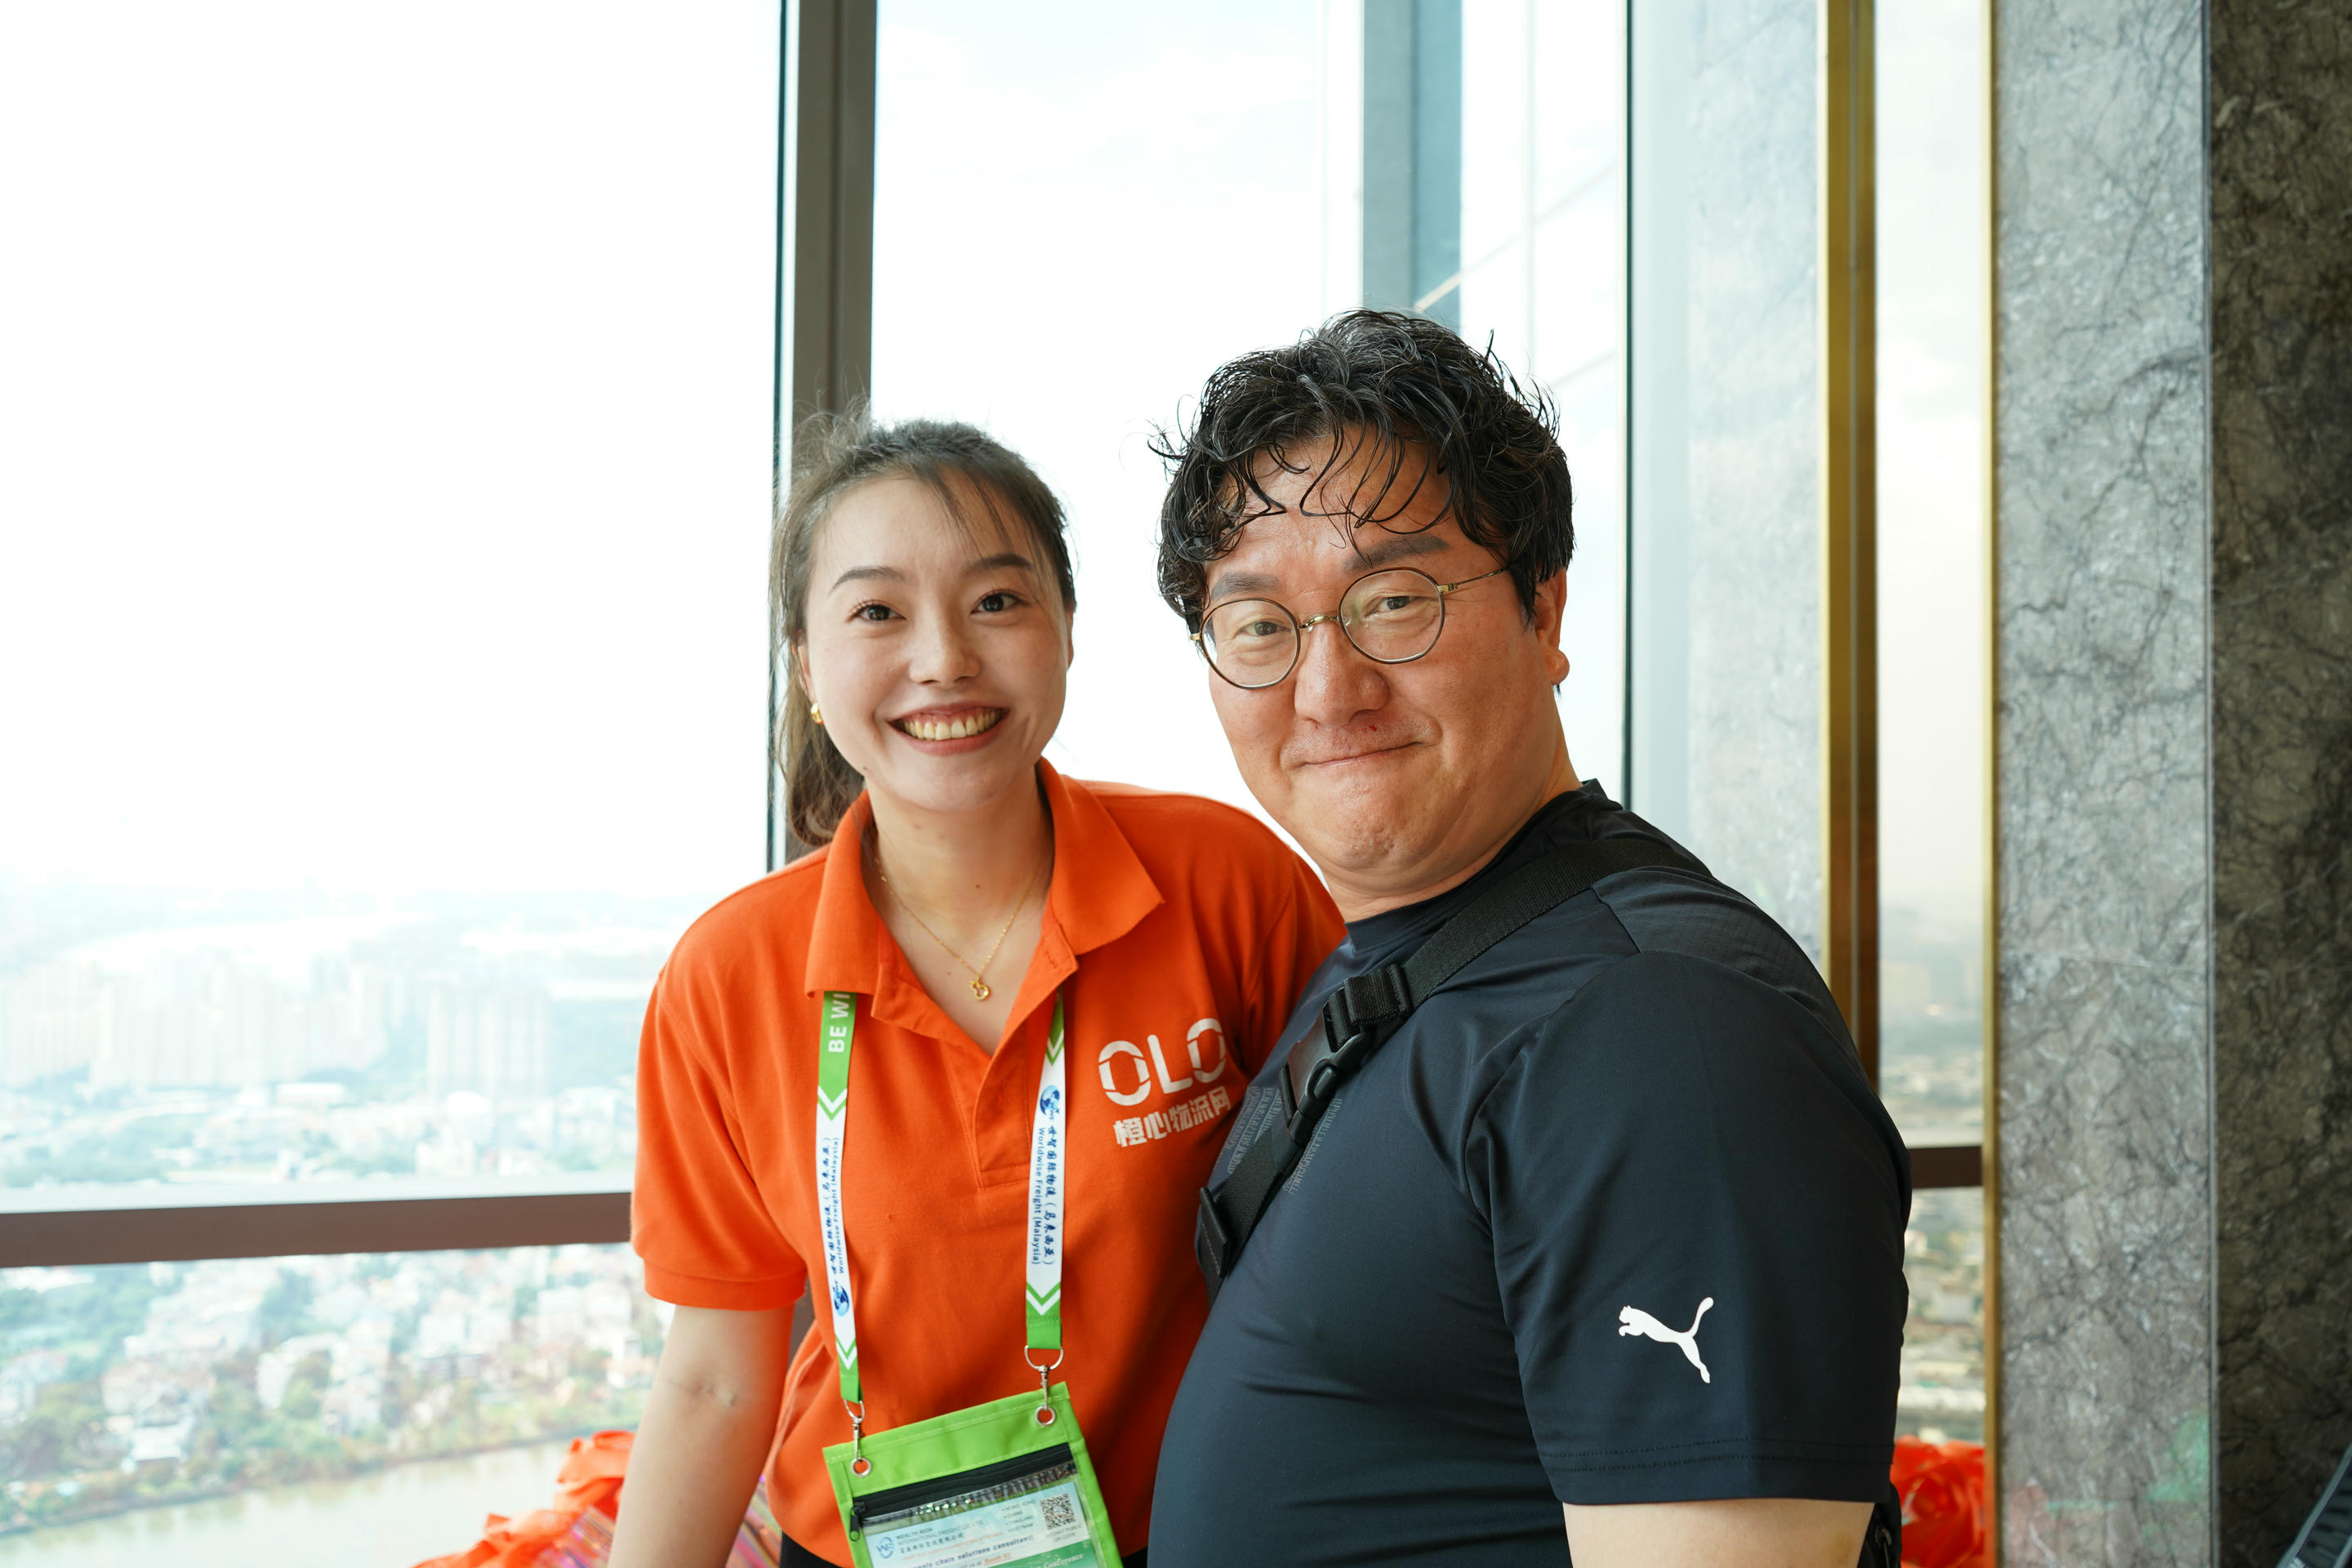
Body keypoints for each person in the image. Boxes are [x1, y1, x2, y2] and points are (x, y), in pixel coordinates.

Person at [1146, 311, 1909, 1567]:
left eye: (1395, 601)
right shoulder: (1415, 956)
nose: (1328, 692)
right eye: (1262, 626)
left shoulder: (1656, 1030)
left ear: (1543, 612)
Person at [609, 416, 1343, 1568]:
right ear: (806, 667)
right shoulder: (727, 976)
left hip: (1201, 1535)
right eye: (877, 612)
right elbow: (714, 1379)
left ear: (1065, 632)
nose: (944, 658)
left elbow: (1366, 1251)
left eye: (997, 601)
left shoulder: (1224, 884)